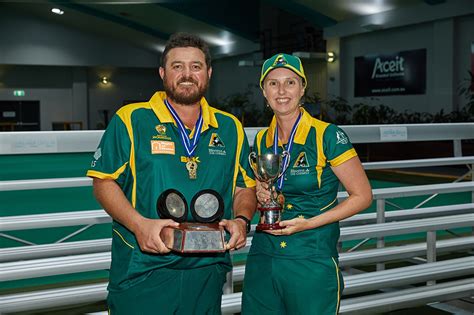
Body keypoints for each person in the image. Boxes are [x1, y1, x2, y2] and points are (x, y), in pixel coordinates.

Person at [87, 32, 256, 315]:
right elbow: (103, 182)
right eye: (178, 66)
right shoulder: (132, 119)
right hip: (144, 269)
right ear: (163, 73)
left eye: (196, 66)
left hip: (207, 271)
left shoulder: (230, 128)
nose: (187, 74)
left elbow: (244, 187)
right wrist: (139, 224)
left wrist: (242, 220)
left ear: (209, 73)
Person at [241, 53, 373, 315]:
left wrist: (309, 223)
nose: (281, 91)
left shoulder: (328, 135)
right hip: (264, 255)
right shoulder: (262, 140)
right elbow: (262, 191)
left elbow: (363, 196)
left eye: (290, 82)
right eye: (273, 83)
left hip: (311, 256)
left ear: (302, 88)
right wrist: (261, 192)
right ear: (264, 91)